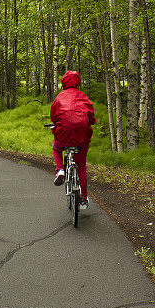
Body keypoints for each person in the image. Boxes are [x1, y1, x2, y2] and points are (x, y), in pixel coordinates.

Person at [49, 70, 95, 210]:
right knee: (81, 167)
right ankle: (83, 200)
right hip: (81, 138)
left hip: (63, 136)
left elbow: (53, 117)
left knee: (56, 148)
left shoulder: (59, 98)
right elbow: (92, 119)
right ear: (78, 82)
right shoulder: (84, 97)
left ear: (63, 83)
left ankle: (60, 170)